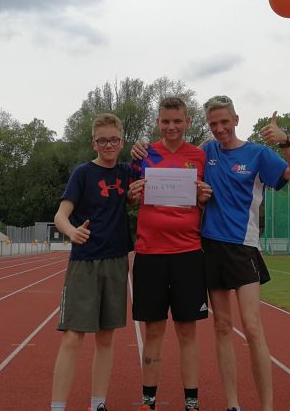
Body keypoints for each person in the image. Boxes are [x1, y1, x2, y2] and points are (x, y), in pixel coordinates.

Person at [200, 96, 290, 411]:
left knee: (252, 327)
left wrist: (285, 141)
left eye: (224, 122)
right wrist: (140, 150)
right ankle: (232, 404)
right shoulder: (206, 152)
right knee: (221, 326)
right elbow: (174, 162)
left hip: (243, 246)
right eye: (213, 123)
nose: (219, 129)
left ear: (235, 119)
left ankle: (267, 406)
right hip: (210, 244)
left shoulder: (258, 154)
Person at [127, 97, 212, 411]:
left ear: (187, 122)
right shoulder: (142, 153)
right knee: (153, 329)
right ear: (158, 122)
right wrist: (132, 195)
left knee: (188, 330)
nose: (172, 127)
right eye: (165, 121)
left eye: (177, 121)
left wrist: (204, 197)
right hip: (150, 252)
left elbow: (204, 200)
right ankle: (148, 400)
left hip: (188, 252)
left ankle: (191, 402)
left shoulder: (199, 156)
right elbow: (131, 197)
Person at [51, 113, 133, 411]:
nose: (108, 145)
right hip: (85, 261)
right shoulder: (82, 173)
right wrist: (71, 231)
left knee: (106, 337)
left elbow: (162, 164)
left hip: (116, 261)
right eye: (102, 140)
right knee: (73, 336)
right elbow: (61, 215)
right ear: (93, 143)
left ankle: (98, 403)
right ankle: (57, 406)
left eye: (113, 139)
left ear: (122, 142)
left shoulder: (127, 172)